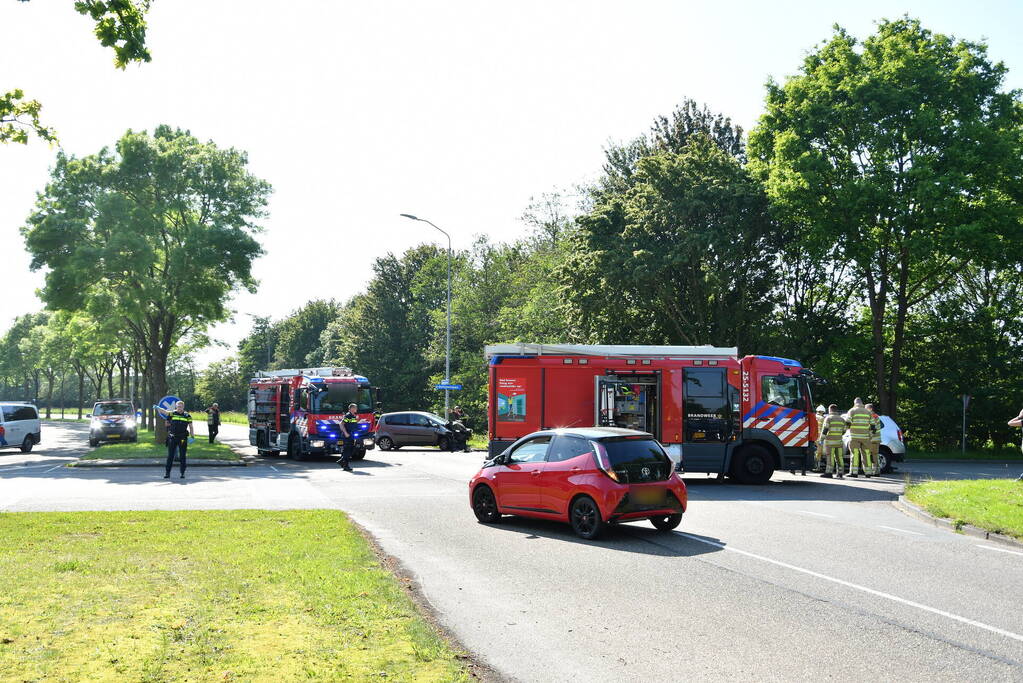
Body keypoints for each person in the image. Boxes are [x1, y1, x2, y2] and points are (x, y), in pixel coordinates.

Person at [160, 400, 193, 479]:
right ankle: (167, 473)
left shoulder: (187, 415)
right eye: (178, 406)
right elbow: (166, 423)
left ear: (183, 407)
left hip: (182, 438)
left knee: (182, 456)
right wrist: (171, 426)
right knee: (170, 456)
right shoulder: (172, 414)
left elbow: (191, 426)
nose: (179, 408)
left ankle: (182, 473)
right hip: (173, 437)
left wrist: (192, 437)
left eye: (181, 406)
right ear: (176, 407)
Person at [845, 398, 874, 478]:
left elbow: (847, 423)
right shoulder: (868, 412)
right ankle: (868, 473)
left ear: (855, 403)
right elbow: (873, 426)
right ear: (862, 403)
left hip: (854, 437)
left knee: (855, 454)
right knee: (867, 454)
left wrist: (847, 430)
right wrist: (870, 435)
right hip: (865, 437)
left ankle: (854, 473)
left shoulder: (852, 411)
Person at [820, 404, 846, 479]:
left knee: (830, 457)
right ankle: (840, 473)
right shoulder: (842, 419)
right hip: (839, 442)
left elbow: (825, 430)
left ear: (830, 410)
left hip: (830, 442)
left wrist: (821, 439)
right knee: (839, 457)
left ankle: (829, 472)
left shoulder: (828, 418)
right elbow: (844, 431)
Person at [337, 402, 359, 471]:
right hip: (347, 435)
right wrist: (346, 433)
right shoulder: (348, 415)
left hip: (351, 435)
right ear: (352, 408)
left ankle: (342, 462)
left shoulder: (353, 416)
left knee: (350, 450)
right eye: (355, 408)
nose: (356, 409)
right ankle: (344, 464)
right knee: (348, 451)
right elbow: (341, 424)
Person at [866, 403, 882, 476]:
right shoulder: (876, 416)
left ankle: (871, 471)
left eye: (866, 409)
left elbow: (873, 429)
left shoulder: (871, 416)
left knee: (870, 456)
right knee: (875, 455)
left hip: (872, 439)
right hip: (876, 439)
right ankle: (876, 471)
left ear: (870, 409)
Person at [813, 405, 827, 473]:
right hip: (819, 438)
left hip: (812, 437)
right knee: (819, 452)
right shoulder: (822, 418)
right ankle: (817, 467)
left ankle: (814, 465)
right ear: (822, 412)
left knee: (814, 451)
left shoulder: (813, 416)